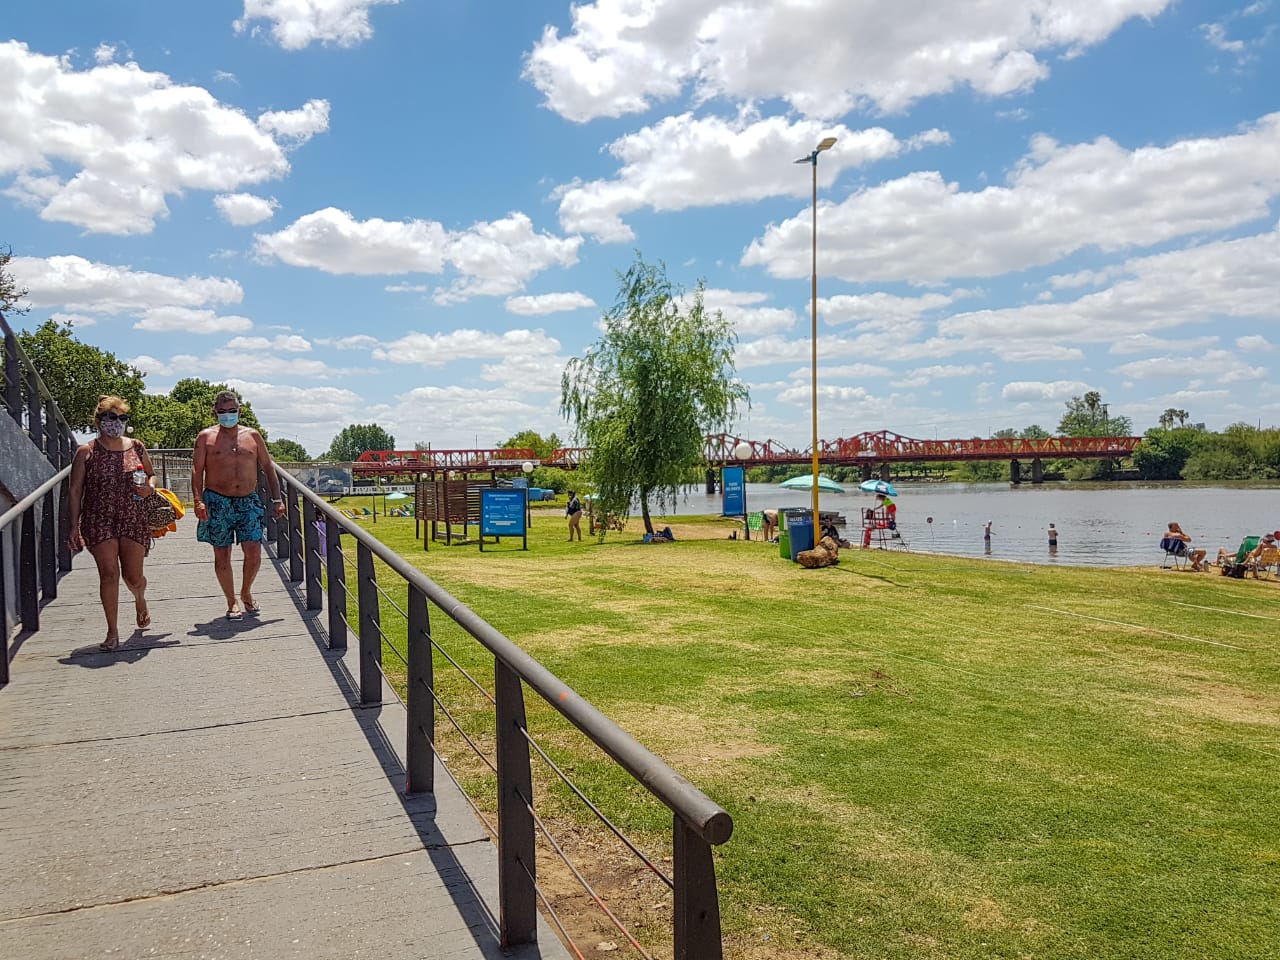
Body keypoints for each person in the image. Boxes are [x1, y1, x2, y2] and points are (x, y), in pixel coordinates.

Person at [67, 395, 156, 651]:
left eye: (122, 418)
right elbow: (74, 492)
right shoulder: (87, 451)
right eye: (111, 417)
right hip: (99, 518)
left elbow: (151, 475)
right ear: (99, 421)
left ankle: (140, 599)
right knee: (108, 574)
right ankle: (112, 632)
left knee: (133, 576)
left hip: (133, 517)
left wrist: (149, 488)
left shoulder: (136, 447)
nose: (117, 423)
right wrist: (73, 526)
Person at [192, 390, 286, 619]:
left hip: (247, 500)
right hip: (217, 500)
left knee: (253, 551)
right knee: (222, 553)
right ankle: (231, 600)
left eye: (232, 411)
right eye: (222, 412)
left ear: (239, 411)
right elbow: (196, 471)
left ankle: (246, 592)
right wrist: (198, 501)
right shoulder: (205, 437)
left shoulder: (253, 436)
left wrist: (277, 499)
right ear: (215, 412)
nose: (227, 416)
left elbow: (268, 467)